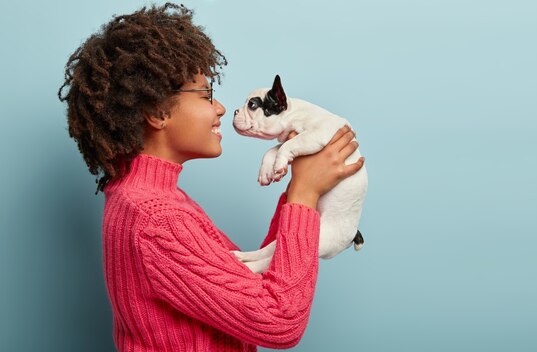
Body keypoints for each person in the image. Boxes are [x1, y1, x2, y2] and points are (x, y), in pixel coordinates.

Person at [57, 3, 365, 352]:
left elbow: (251, 282)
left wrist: (300, 187)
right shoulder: (157, 220)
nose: (220, 108)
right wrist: (304, 197)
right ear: (158, 112)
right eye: (206, 94)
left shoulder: (152, 200)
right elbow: (279, 320)